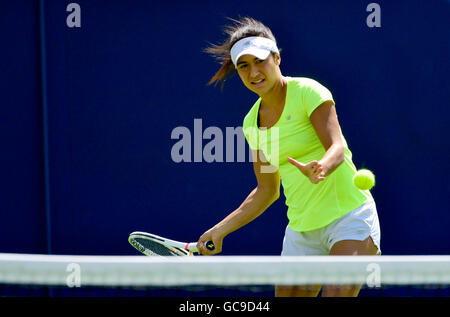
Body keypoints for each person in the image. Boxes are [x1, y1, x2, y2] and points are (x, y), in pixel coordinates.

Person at [196, 17, 381, 297]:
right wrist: (220, 230)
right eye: (243, 66)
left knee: (337, 293)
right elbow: (267, 190)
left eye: (259, 61)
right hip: (301, 230)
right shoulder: (251, 124)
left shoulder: (308, 91)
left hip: (349, 218)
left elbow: (337, 147)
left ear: (277, 58)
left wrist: (322, 166)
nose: (253, 72)